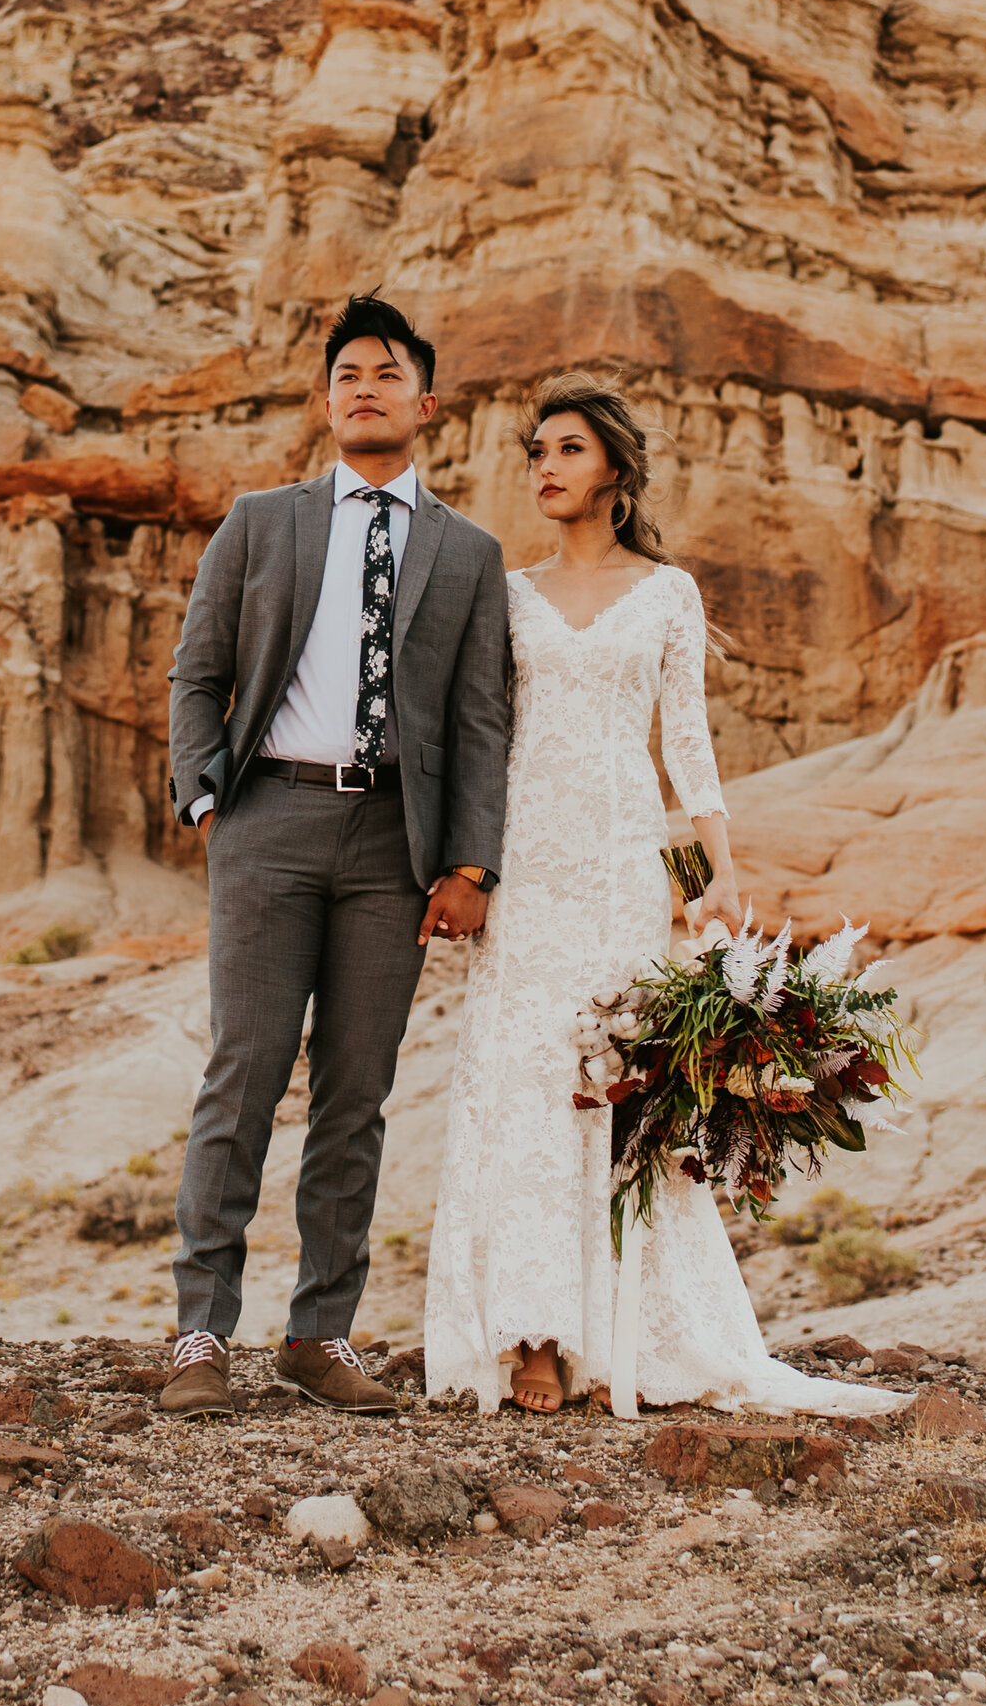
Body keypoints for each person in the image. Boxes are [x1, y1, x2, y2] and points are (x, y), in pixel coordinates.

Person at [422, 373, 904, 1421]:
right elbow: (481, 738)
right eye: (536, 450)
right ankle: (533, 1335)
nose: (544, 466)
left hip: (625, 867)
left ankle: (629, 1332)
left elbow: (683, 741)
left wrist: (715, 872)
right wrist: (468, 865)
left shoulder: (668, 592)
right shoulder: (507, 592)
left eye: (566, 449)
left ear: (614, 469)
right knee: (526, 1082)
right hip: (529, 867)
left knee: (617, 1085)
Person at [161, 291, 511, 1418]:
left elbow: (478, 718)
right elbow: (197, 671)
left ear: (426, 400)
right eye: (347, 372)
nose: (366, 386)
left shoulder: (467, 551)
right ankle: (199, 1333)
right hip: (268, 821)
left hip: (391, 846)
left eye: (387, 371)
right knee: (244, 1076)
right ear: (325, 399)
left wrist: (469, 863)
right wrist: (208, 800)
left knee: (355, 1092)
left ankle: (321, 1333)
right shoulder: (262, 519)